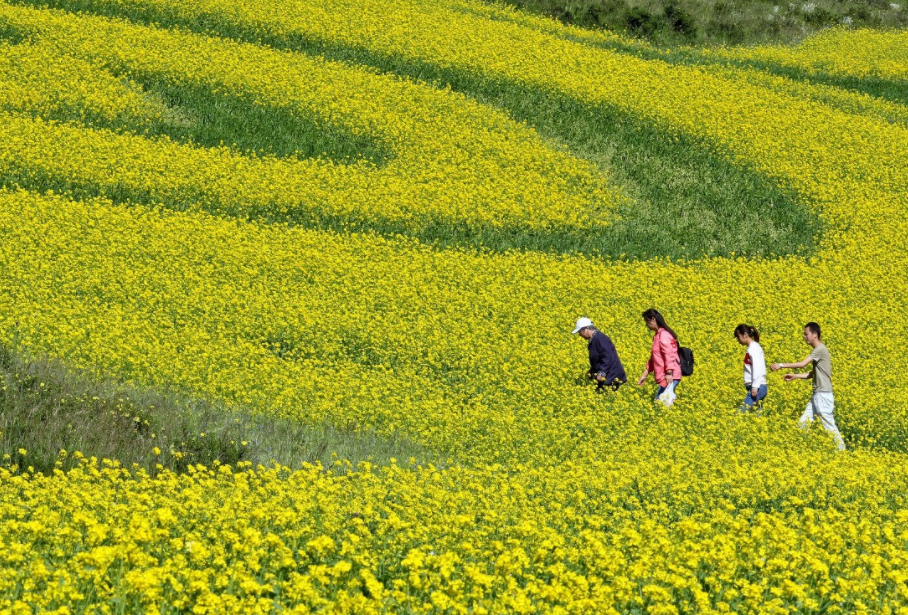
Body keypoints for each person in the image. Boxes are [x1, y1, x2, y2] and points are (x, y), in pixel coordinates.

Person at [771, 322, 845, 451]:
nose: (804, 337)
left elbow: (802, 364)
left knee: (829, 425)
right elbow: (813, 374)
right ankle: (802, 449)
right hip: (818, 395)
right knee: (803, 423)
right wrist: (796, 376)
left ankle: (842, 450)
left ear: (815, 334)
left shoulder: (820, 349)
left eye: (806, 334)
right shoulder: (819, 351)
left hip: (823, 395)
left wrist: (781, 365)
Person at [636, 309, 682, 406]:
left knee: (661, 402)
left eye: (646, 322)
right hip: (666, 375)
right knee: (661, 402)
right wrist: (644, 375)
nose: (646, 325)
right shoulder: (658, 336)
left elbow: (669, 354)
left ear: (653, 319)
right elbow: (654, 358)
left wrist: (669, 373)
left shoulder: (664, 335)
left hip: (670, 375)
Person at [572, 317, 627, 391]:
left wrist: (602, 373)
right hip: (608, 376)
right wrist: (592, 371)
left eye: (580, 332)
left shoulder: (600, 338)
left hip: (611, 375)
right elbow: (598, 358)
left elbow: (607, 356)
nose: (580, 335)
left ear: (587, 329)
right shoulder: (594, 339)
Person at [735, 324, 767, 412]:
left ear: (745, 335)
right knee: (757, 416)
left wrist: (755, 387)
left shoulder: (754, 348)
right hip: (757, 387)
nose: (738, 340)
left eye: (738, 337)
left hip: (758, 387)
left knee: (740, 413)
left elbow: (757, 368)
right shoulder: (753, 348)